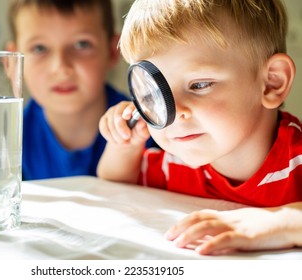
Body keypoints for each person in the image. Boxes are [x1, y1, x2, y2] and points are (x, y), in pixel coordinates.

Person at [97, 0, 302, 255]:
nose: (175, 113)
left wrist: (278, 221)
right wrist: (124, 146)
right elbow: (114, 185)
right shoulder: (177, 163)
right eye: (154, 95)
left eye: (199, 85)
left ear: (272, 82)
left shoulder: (298, 160)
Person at [6, 0, 153, 180]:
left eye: (81, 44)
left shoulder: (149, 127)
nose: (61, 67)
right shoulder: (8, 141)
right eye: (39, 48)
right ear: (12, 61)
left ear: (113, 51)